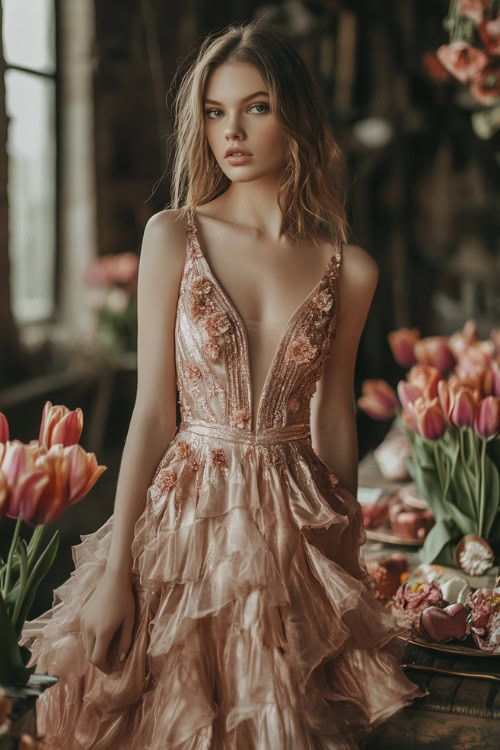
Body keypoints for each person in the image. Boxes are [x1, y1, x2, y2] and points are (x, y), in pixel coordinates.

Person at [20, 20, 424, 750]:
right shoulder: (173, 235)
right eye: (214, 111)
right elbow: (151, 413)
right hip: (185, 526)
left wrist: (345, 555)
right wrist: (116, 572)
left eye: (256, 107)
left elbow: (334, 418)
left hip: (299, 528)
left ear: (295, 115)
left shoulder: (349, 266)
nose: (230, 131)